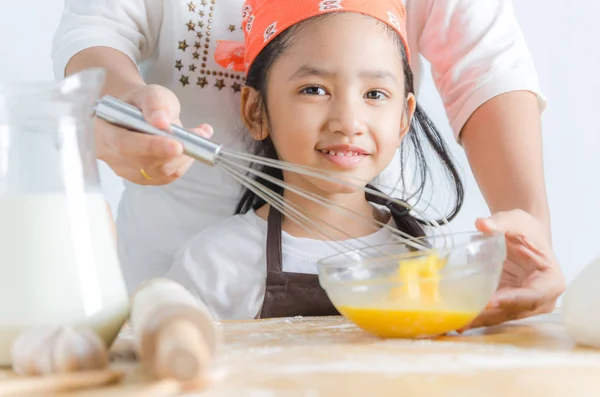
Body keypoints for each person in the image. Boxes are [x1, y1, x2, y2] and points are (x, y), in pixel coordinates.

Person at [51, 0, 564, 326]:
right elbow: (95, 33)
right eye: (314, 89)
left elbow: (487, 64)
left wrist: (527, 240)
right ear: (256, 110)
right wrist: (120, 107)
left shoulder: (419, 254)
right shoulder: (212, 266)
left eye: (374, 92)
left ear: (405, 114)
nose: (348, 119)